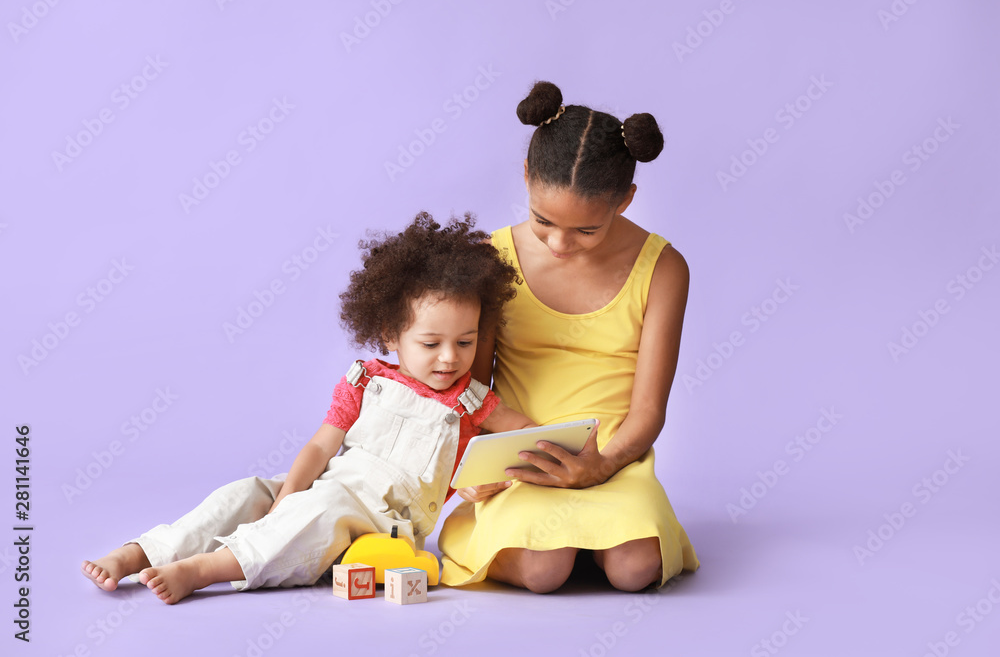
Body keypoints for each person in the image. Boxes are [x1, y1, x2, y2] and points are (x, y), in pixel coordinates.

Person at [81, 212, 535, 604]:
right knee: (246, 494)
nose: (450, 358)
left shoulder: (471, 400)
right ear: (389, 336)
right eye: (431, 344)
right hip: (327, 484)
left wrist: (487, 478)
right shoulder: (365, 381)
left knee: (323, 510)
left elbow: (529, 437)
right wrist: (286, 497)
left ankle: (204, 570)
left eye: (466, 342)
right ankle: (141, 552)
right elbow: (320, 447)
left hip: (381, 521)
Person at [438, 81, 700, 593]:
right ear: (526, 177)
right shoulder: (493, 257)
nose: (559, 243)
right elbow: (472, 387)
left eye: (586, 230)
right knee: (543, 572)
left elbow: (649, 409)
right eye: (543, 220)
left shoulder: (663, 268)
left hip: (615, 457)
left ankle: (587, 542)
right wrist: (470, 461)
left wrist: (603, 465)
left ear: (625, 200)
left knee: (634, 570)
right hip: (519, 458)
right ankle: (527, 541)